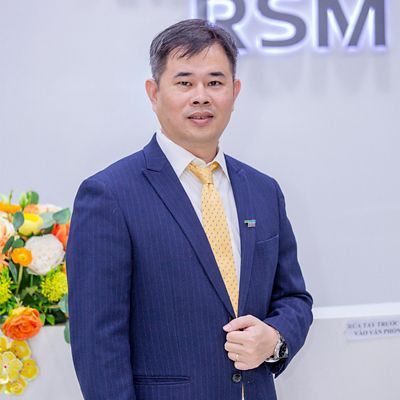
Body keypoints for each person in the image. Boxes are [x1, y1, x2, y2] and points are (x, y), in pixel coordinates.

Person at [66, 18, 313, 400]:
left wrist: (275, 339)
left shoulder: (263, 191)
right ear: (153, 92)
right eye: (184, 82)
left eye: (215, 82)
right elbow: (99, 344)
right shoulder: (109, 195)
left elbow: (294, 299)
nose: (201, 96)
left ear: (235, 91)